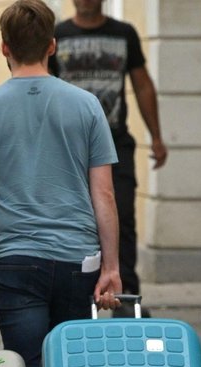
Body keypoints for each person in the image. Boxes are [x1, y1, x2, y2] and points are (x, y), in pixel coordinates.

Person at [0, 0, 122, 367]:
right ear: (53, 45)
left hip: (15, 262)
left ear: (4, 48)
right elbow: (105, 195)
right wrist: (111, 266)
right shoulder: (87, 106)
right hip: (77, 261)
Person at [50, 0, 167, 316]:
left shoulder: (124, 33)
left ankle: (125, 295)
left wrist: (155, 136)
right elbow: (45, 89)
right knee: (73, 218)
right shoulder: (57, 35)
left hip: (116, 144)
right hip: (70, 148)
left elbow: (142, 85)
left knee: (123, 217)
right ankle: (75, 292)